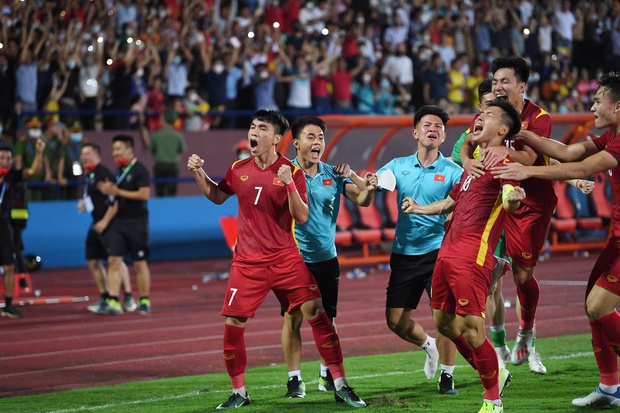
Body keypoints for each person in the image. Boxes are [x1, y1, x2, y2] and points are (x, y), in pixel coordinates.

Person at [187, 109, 366, 409]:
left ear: (277, 139)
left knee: (318, 314)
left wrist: (289, 185)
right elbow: (218, 196)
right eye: (253, 127)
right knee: (234, 323)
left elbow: (302, 215)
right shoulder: (238, 168)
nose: (254, 133)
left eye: (262, 128)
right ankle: (239, 393)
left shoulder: (291, 171)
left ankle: (340, 384)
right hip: (246, 264)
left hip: (285, 259)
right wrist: (198, 172)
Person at [491, 71, 620, 408]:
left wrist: (527, 171)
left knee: (597, 306)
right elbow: (566, 152)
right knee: (593, 307)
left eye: (597, 102)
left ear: (617, 107)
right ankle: (609, 387)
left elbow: (580, 169)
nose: (591, 108)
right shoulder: (610, 136)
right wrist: (520, 131)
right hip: (616, 238)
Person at [404, 100, 525, 413]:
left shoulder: (502, 160)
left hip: (473, 255)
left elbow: (510, 194)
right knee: (444, 323)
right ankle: (496, 374)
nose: (480, 117)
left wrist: (513, 199)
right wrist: (419, 208)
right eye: (480, 114)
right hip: (447, 253)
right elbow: (449, 203)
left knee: (471, 328)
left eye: (488, 115)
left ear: (503, 129)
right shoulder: (473, 167)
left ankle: (492, 399)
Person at [460, 56, 555, 374]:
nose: (499, 86)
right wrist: (465, 160)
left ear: (521, 86)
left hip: (530, 202)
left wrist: (504, 151)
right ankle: (497, 345)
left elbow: (529, 157)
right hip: (495, 199)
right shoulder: (486, 115)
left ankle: (527, 333)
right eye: (495, 80)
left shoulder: (538, 118)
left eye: (505, 81)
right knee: (480, 270)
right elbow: (468, 143)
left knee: (523, 276)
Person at [281, 115, 378, 398]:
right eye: (310, 137)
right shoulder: (285, 174)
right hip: (294, 258)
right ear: (296, 142)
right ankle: (294, 379)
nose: (317, 142)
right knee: (293, 318)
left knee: (328, 320)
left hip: (326, 257)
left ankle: (327, 375)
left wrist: (365, 184)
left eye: (320, 137)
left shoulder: (333, 174)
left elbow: (363, 200)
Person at [376, 105, 462, 395]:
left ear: (444, 135)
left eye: (438, 126)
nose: (432, 129)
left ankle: (448, 376)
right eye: (427, 125)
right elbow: (372, 186)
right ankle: (430, 346)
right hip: (404, 253)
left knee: (444, 317)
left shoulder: (454, 172)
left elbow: (462, 207)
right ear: (415, 132)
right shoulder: (397, 165)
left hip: (438, 252)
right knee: (395, 321)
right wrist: (366, 182)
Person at [96, 135, 152, 315]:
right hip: (119, 223)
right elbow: (117, 196)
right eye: (113, 150)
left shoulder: (140, 170)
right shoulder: (119, 171)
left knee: (139, 263)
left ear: (129, 150)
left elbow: (144, 195)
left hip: (137, 223)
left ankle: (144, 300)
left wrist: (117, 191)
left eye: (118, 149)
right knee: (113, 261)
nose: (114, 153)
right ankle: (113, 301)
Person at [78, 143, 136, 314]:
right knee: (92, 260)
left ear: (97, 154)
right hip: (96, 222)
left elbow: (114, 200)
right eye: (82, 154)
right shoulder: (90, 174)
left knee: (115, 261)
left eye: (87, 153)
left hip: (110, 223)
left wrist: (104, 221)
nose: (84, 157)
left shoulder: (103, 173)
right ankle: (105, 297)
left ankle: (128, 297)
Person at [0, 139, 45, 318]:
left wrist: (40, 152)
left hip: (4, 228)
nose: (5, 161)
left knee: (10, 266)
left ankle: (8, 305)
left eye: (8, 158)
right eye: (2, 157)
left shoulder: (12, 176)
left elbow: (33, 171)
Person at [149, 107, 187, 197]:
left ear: (163, 120)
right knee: (172, 193)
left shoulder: (156, 135)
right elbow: (181, 151)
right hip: (173, 166)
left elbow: (152, 150)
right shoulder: (178, 135)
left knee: (159, 192)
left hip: (160, 165)